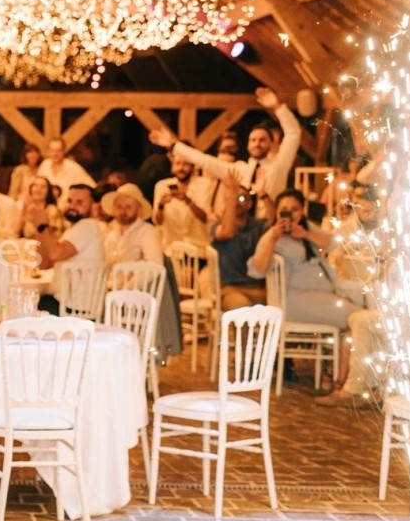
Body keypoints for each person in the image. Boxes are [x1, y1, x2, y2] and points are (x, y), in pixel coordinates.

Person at [247, 189, 365, 388]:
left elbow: (333, 243)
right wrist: (273, 238)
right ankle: (340, 381)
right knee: (357, 318)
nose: (289, 214)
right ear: (277, 211)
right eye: (284, 210)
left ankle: (335, 373)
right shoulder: (271, 235)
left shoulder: (305, 228)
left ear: (302, 211)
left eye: (294, 210)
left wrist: (306, 234)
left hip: (321, 296)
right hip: (293, 301)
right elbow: (257, 270)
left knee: (360, 302)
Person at [149, 88, 302, 219]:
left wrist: (277, 107)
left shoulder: (279, 165)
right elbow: (204, 160)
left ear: (270, 143)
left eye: (262, 140)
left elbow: (293, 133)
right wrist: (174, 145)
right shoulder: (239, 169)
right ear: (247, 145)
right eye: (253, 140)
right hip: (241, 230)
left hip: (268, 224)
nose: (257, 143)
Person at [29, 183, 104, 315]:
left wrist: (42, 225)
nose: (73, 206)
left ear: (93, 206)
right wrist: (39, 230)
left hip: (74, 309)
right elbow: (43, 264)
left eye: (79, 202)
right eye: (70, 201)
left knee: (25, 306)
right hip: (64, 305)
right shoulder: (74, 230)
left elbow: (55, 253)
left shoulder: (87, 226)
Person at [209, 174, 267, 310]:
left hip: (260, 288)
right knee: (243, 313)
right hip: (231, 289)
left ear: (250, 204)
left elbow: (273, 222)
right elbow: (228, 232)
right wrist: (231, 196)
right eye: (233, 198)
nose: (236, 202)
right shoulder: (217, 226)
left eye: (241, 198)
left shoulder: (257, 226)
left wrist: (263, 194)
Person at [153, 149, 216, 248]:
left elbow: (205, 218)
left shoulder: (204, 184)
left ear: (192, 166)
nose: (181, 168)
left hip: (198, 248)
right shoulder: (162, 186)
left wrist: (187, 200)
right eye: (177, 163)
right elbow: (157, 221)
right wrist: (161, 205)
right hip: (171, 248)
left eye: (185, 164)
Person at [101, 184, 163, 266]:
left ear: (139, 210)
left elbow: (155, 265)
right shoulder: (111, 234)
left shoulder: (147, 232)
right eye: (119, 206)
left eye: (128, 207)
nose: (123, 212)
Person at [36, 137, 96, 207]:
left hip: (69, 209)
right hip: (48, 208)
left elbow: (92, 186)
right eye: (52, 150)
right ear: (48, 151)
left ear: (64, 151)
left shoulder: (73, 167)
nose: (55, 154)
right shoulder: (44, 165)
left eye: (58, 150)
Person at [19, 176, 64, 241]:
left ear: (48, 192)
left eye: (43, 187)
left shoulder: (52, 210)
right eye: (35, 186)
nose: (38, 189)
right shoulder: (27, 209)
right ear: (30, 189)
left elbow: (53, 235)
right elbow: (16, 232)